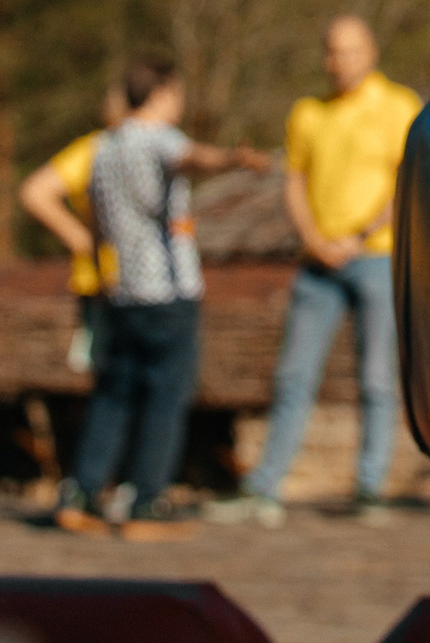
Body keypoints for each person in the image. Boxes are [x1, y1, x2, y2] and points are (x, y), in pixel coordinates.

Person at [208, 16, 423, 526]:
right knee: (293, 375)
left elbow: (410, 178)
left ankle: (370, 488)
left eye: (349, 50)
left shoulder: (399, 107)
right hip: (316, 263)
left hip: (375, 257)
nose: (339, 61)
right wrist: (313, 239)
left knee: (376, 377)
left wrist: (360, 234)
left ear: (370, 52)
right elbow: (294, 182)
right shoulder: (307, 113)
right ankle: (264, 487)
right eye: (331, 51)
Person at [56, 64, 269, 539]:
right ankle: (145, 499)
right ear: (161, 93)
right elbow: (191, 156)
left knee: (114, 393)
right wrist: (234, 159)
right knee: (165, 396)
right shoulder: (157, 139)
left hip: (122, 288)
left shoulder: (102, 148)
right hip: (167, 290)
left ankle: (83, 491)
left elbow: (93, 217)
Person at [17, 76, 133, 378]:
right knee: (112, 382)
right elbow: (35, 192)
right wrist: (81, 239)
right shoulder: (95, 149)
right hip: (104, 283)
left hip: (141, 283)